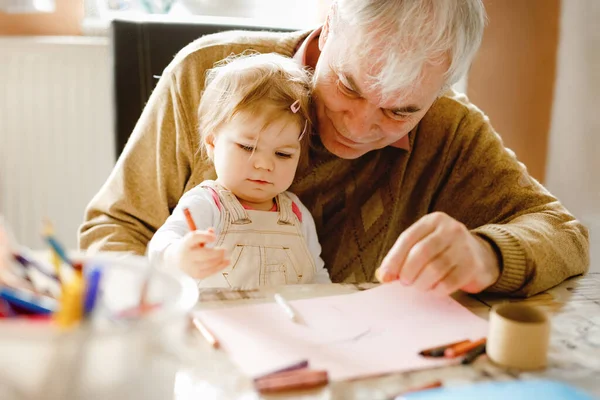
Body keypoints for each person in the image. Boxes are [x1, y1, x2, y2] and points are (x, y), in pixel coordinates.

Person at [79, 0, 589, 297]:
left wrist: (488, 253)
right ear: (327, 31)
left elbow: (563, 233)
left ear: (438, 92)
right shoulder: (201, 76)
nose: (361, 126)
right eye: (349, 86)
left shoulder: (449, 129)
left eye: (399, 112)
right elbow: (113, 229)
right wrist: (164, 289)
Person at [146, 52, 330, 288]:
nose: (264, 164)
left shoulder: (297, 213)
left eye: (283, 154)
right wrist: (178, 256)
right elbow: (161, 245)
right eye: (247, 147)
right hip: (217, 320)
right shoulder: (207, 204)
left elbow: (317, 275)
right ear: (212, 143)